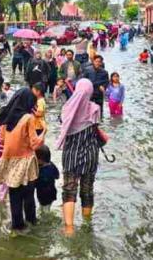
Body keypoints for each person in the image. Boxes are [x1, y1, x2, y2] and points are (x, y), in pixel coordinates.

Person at [0, 89, 46, 231]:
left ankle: (17, 227)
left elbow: (2, 139)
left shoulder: (7, 117)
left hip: (9, 161)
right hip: (26, 162)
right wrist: (44, 131)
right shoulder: (28, 118)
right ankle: (32, 223)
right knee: (28, 196)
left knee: (14, 197)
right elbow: (34, 144)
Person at [55, 79, 101, 235]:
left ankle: (69, 227)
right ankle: (87, 223)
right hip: (91, 154)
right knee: (88, 189)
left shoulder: (67, 108)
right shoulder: (95, 108)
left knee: (69, 188)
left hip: (71, 155)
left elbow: (62, 124)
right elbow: (96, 127)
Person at [34, 145, 60, 209]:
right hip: (52, 193)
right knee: (46, 208)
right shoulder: (51, 164)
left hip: (44, 196)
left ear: (40, 159)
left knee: (44, 210)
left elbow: (37, 183)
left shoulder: (42, 171)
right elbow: (57, 176)